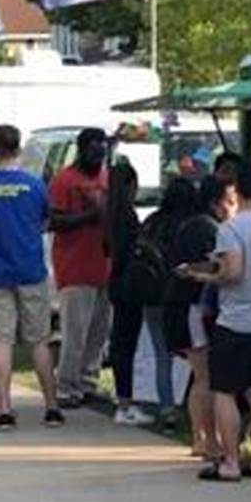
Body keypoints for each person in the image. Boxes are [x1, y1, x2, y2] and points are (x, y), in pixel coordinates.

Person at [189, 159, 251, 482]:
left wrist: (209, 277)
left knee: (225, 391)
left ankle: (230, 461)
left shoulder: (231, 229)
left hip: (235, 321)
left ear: (237, 190)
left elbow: (232, 271)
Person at [0, 124, 63, 431]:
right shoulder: (35, 186)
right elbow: (45, 221)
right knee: (39, 341)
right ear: (19, 149)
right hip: (30, 270)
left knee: (2, 340)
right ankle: (51, 406)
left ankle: (4, 407)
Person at [166, 175, 237, 458]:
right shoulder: (207, 229)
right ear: (216, 204)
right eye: (230, 201)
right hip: (192, 307)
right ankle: (206, 439)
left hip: (183, 306)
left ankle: (201, 437)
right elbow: (208, 267)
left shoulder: (195, 225)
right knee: (204, 376)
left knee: (200, 376)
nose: (234, 208)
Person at [49, 129, 112, 409]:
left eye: (103, 148)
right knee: (75, 333)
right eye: (94, 148)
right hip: (74, 266)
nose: (99, 154)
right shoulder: (64, 180)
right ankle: (65, 386)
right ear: (82, 149)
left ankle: (88, 382)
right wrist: (91, 216)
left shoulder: (105, 176)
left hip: (104, 265)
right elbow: (55, 221)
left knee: (99, 333)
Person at [140, 177, 199, 426]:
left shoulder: (152, 222)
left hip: (152, 293)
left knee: (162, 355)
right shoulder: (191, 227)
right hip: (182, 295)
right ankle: (193, 403)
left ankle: (166, 406)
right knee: (196, 354)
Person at [106, 160, 153, 426]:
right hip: (129, 285)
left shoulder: (110, 212)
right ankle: (126, 402)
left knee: (121, 343)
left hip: (116, 282)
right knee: (127, 344)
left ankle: (123, 398)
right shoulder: (127, 216)